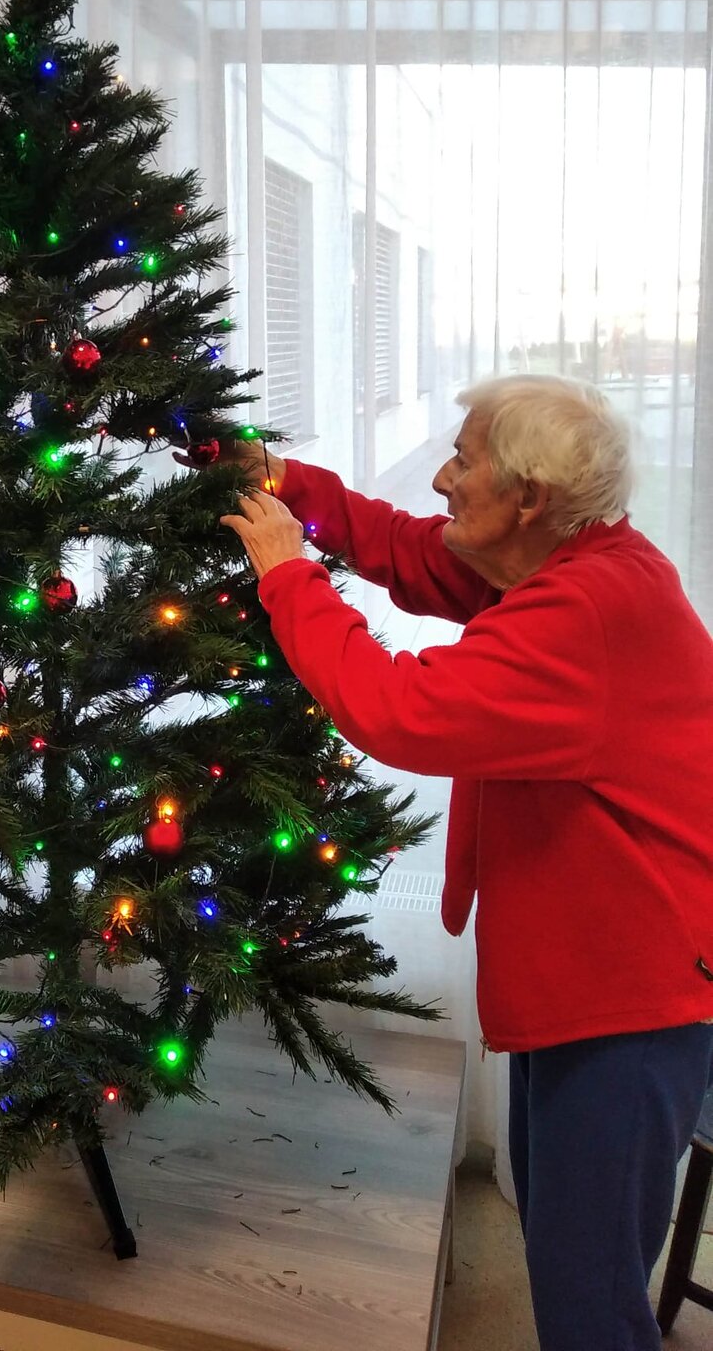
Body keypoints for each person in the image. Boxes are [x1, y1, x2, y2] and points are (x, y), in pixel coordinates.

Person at [216, 374, 713, 1351]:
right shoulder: (569, 558)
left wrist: (287, 575)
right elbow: (415, 551)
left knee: (589, 1298)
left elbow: (398, 710)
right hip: (589, 975)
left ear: (527, 496)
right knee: (568, 1255)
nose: (443, 477)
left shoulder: (584, 611)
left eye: (463, 459)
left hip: (632, 999)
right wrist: (289, 485)